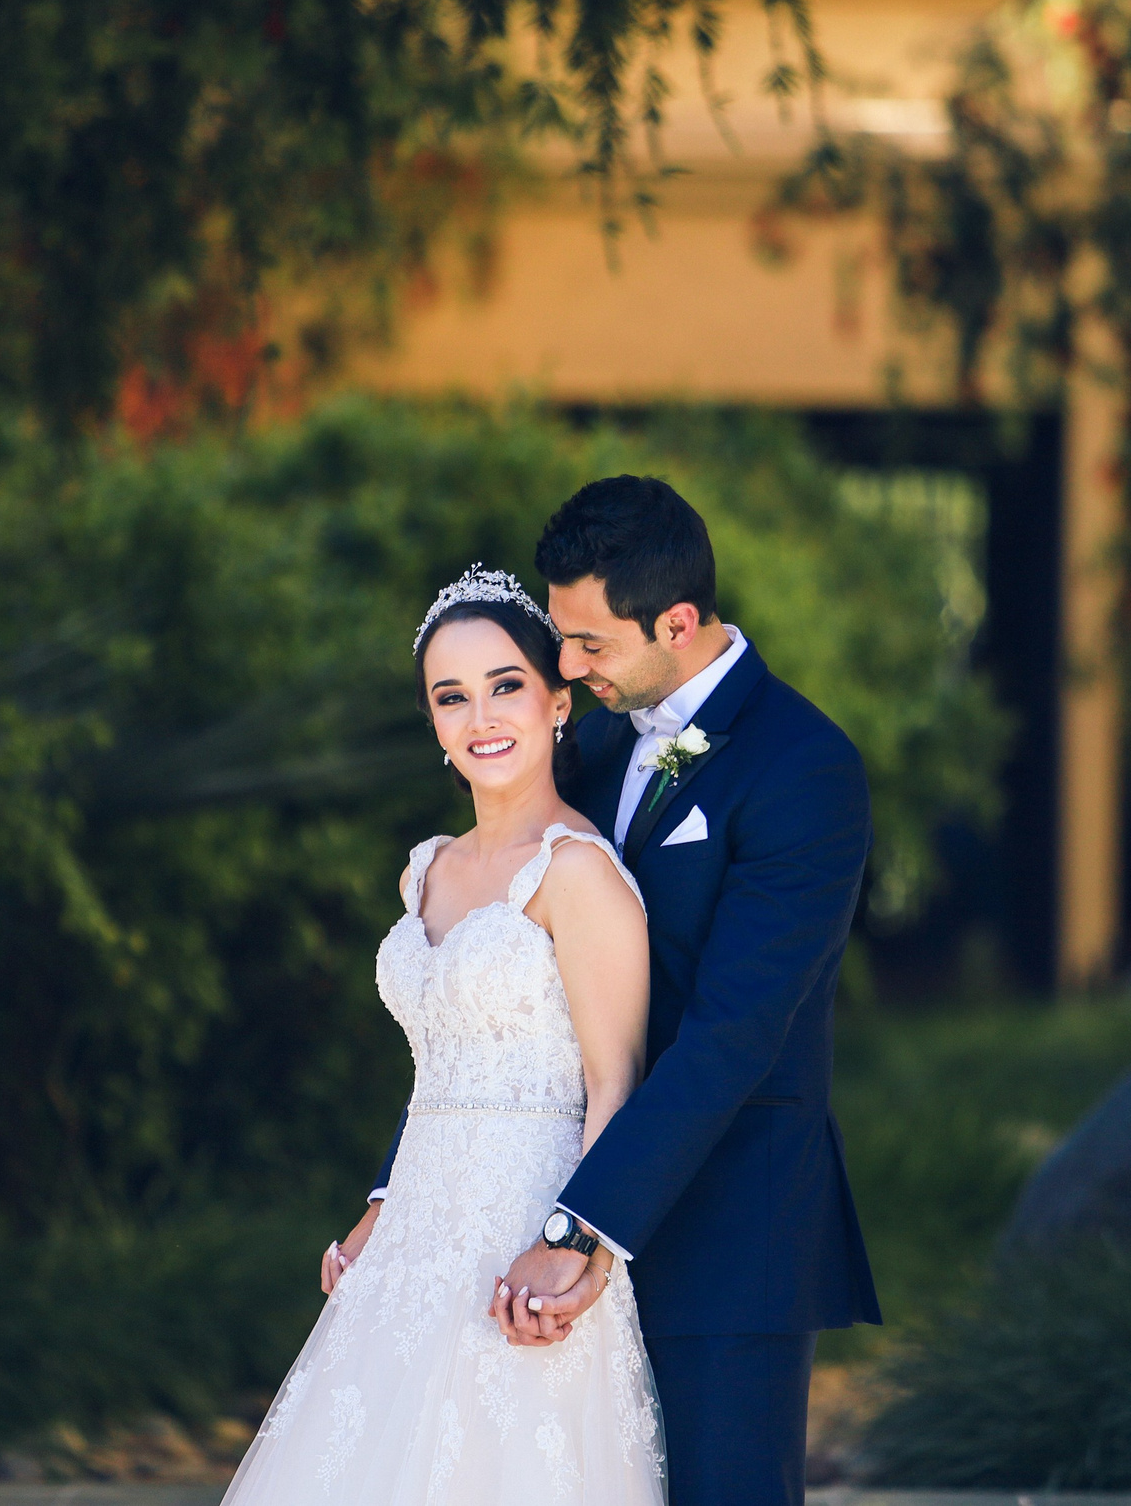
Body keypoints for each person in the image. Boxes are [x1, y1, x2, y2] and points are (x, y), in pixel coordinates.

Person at [421, 476, 882, 1506]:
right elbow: (492, 984)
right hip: (540, 1208)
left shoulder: (803, 769)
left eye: (588, 645)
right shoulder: (579, 746)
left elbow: (734, 1033)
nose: (566, 669)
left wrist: (580, 1225)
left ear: (677, 621)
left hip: (725, 1235)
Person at [221, 564, 666, 1504]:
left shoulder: (579, 873)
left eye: (506, 684)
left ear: (556, 702)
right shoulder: (426, 870)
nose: (482, 716)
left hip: (524, 1239)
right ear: (432, 723)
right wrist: (382, 1208)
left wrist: (573, 1246)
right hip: (414, 1243)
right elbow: (439, 1074)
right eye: (451, 696)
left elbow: (617, 1089)